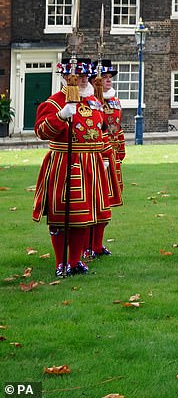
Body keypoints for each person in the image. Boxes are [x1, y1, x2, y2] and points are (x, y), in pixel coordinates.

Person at [33, 57, 111, 276]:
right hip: (65, 162)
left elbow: (101, 130)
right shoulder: (54, 103)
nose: (83, 81)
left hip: (91, 164)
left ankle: (75, 261)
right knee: (62, 216)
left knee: (83, 217)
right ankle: (61, 261)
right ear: (67, 77)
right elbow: (41, 131)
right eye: (78, 77)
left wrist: (104, 156)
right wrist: (61, 116)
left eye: (85, 76)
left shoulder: (93, 102)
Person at [86, 59, 125, 258]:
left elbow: (117, 128)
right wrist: (101, 152)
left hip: (112, 157)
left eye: (110, 78)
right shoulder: (90, 102)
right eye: (105, 78)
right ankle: (86, 245)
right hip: (96, 155)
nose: (108, 81)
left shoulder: (115, 100)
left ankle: (98, 245)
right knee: (91, 202)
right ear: (95, 81)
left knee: (105, 203)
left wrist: (120, 153)